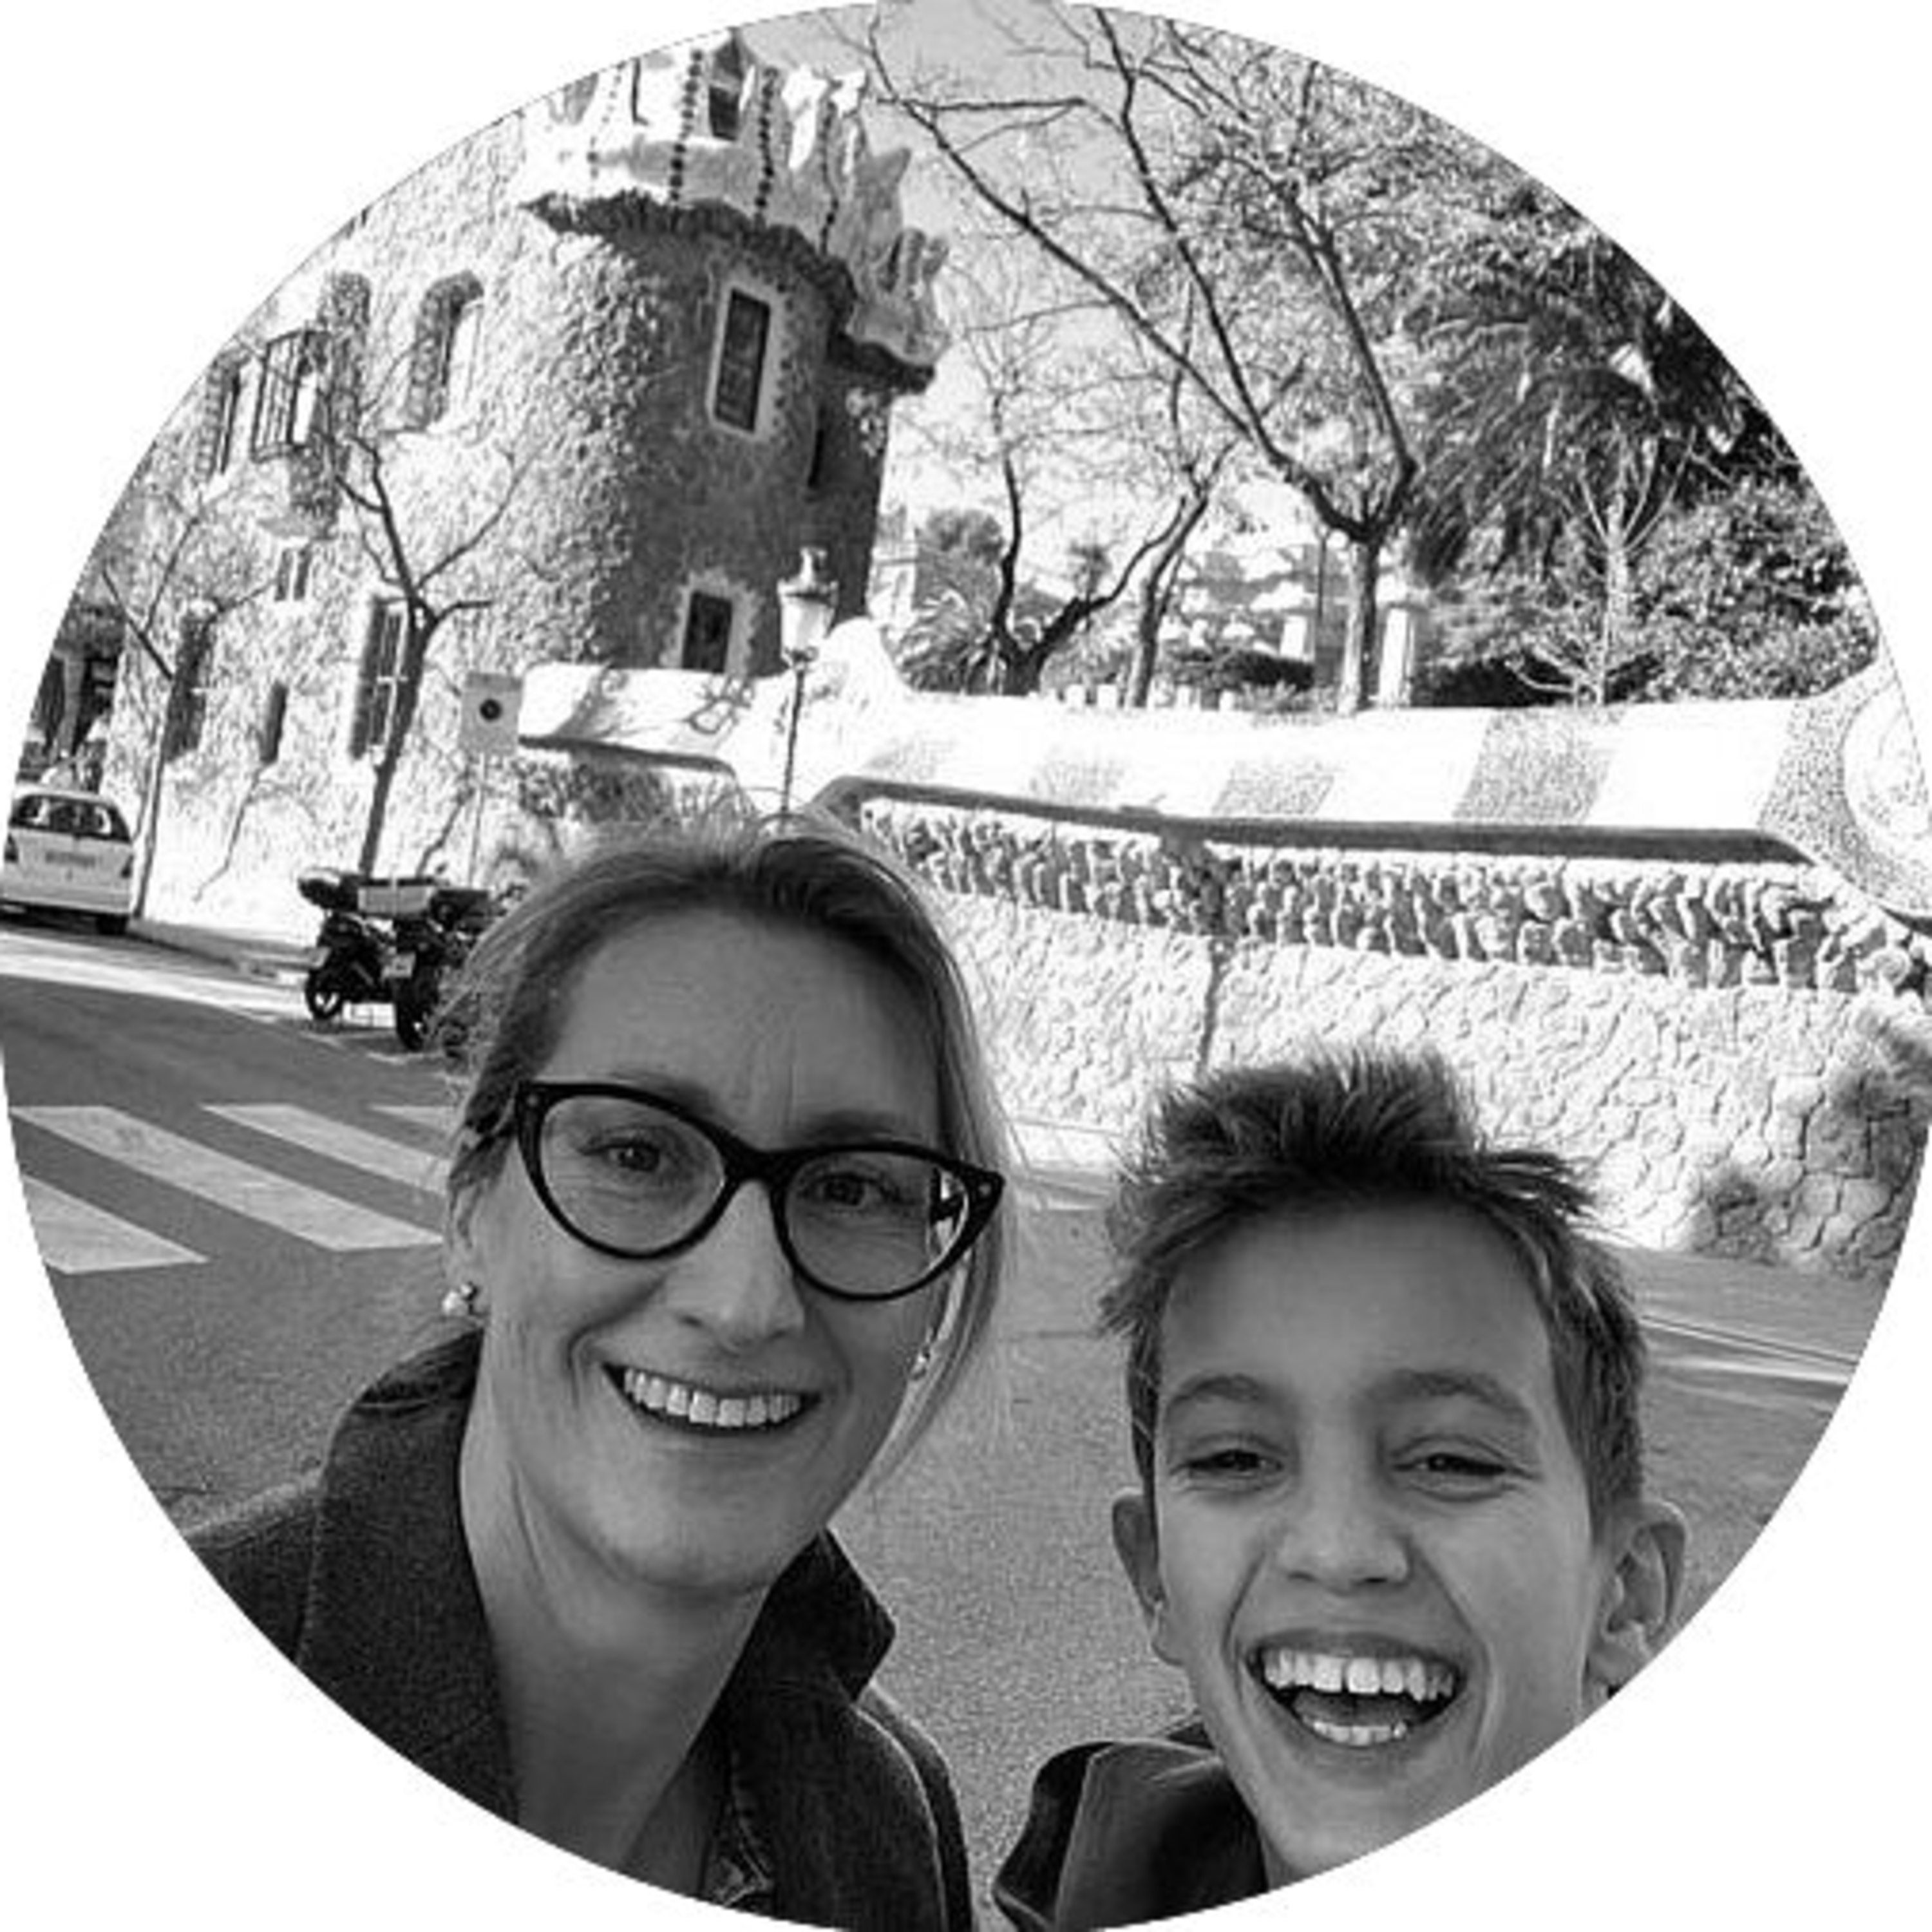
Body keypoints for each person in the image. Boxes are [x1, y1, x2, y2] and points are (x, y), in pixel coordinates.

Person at [191, 811, 1012, 1926]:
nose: (745, 1303)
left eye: (854, 1188)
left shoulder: (892, 1831)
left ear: (932, 1291)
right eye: (637, 1154)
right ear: (472, 1214)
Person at [995, 1045, 1687, 1927]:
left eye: (1452, 1462)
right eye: (1235, 1459)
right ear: (1156, 1576)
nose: (1337, 1551)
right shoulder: (1095, 1880)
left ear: (1625, 1592)